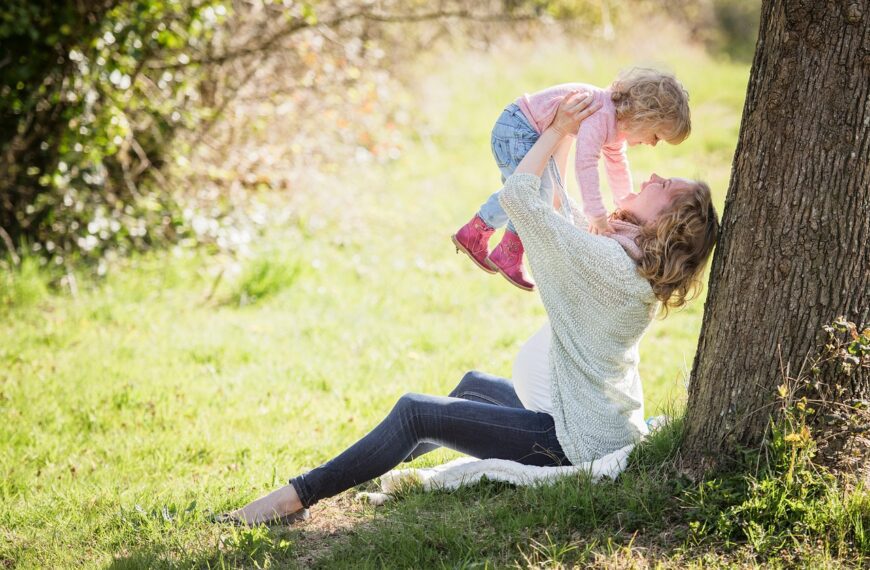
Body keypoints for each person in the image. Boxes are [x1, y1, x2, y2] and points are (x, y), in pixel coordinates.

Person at [219, 92, 718, 526]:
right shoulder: (626, 259)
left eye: (665, 186)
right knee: (472, 386)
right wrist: (567, 135)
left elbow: (521, 197)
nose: (654, 175)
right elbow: (563, 213)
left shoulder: (609, 265)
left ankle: (295, 498)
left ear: (666, 224)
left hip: (571, 440)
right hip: (580, 415)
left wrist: (556, 131)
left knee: (416, 412)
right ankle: (362, 466)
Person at [452, 68, 691, 291]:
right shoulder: (602, 115)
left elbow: (617, 166)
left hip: (521, 129)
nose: (653, 144)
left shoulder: (616, 125)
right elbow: (585, 164)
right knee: (531, 191)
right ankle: (504, 249)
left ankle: (480, 235)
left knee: (530, 191)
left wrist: (624, 203)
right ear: (644, 116)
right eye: (656, 136)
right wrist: (596, 214)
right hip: (518, 129)